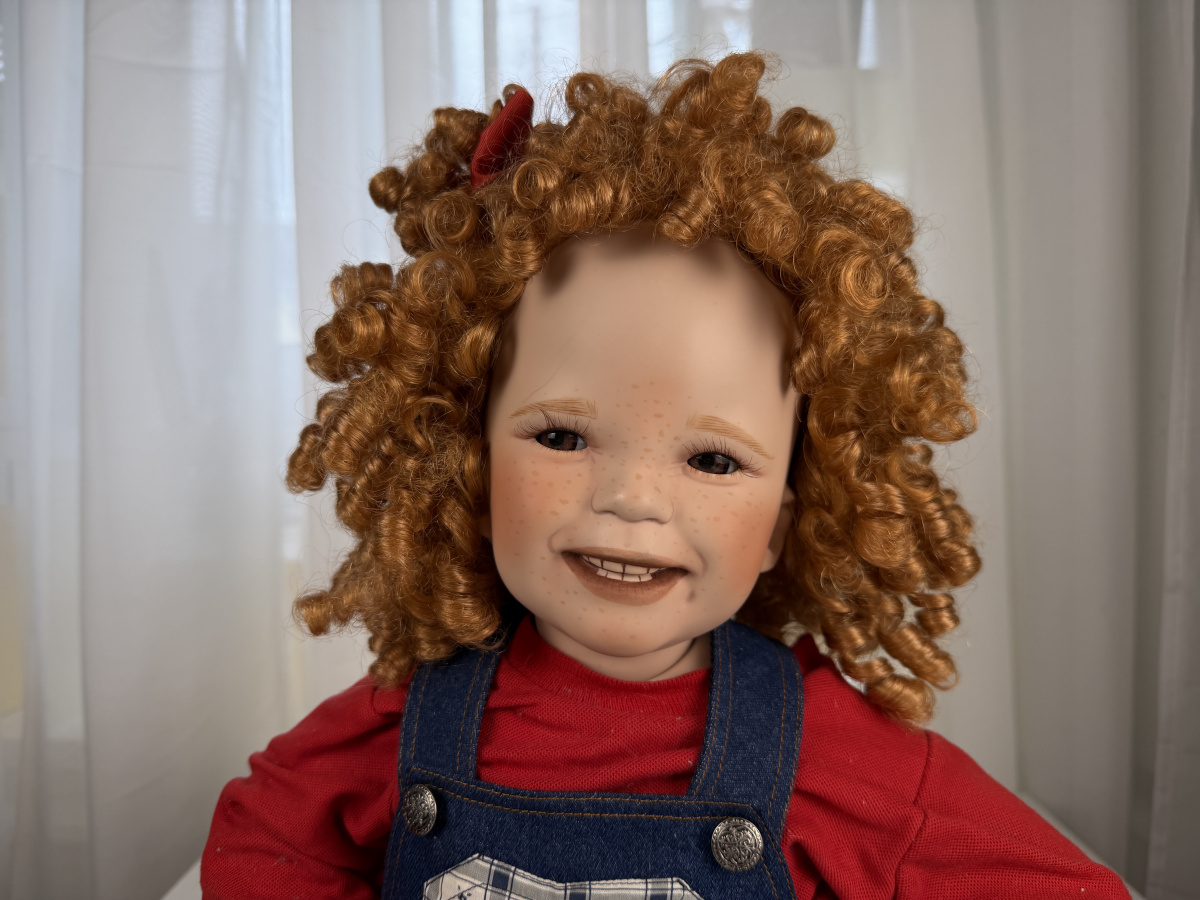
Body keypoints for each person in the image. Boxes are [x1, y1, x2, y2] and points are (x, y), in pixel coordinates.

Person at [201, 53, 1129, 899]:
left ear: (782, 525)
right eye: (562, 436)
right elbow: (262, 837)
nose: (632, 498)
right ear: (468, 464)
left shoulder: (833, 757)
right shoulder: (405, 721)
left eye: (713, 459)